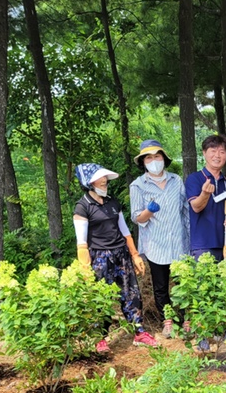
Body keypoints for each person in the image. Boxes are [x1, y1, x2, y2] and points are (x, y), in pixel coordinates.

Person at [73, 163, 156, 351]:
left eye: (105, 179)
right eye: (100, 179)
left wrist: (134, 254)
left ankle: (139, 331)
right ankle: (98, 337)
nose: (104, 181)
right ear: (88, 182)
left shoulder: (112, 202)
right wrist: (85, 268)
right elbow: (81, 242)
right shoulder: (82, 206)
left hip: (121, 254)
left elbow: (125, 231)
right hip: (100, 257)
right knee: (100, 297)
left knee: (131, 293)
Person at [130, 139, 189, 338]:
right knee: (161, 286)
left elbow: (185, 211)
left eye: (157, 156)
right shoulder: (137, 185)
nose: (154, 161)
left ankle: (187, 319)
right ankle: (168, 322)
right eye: (149, 157)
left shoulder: (176, 180)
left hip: (180, 242)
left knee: (184, 283)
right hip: (156, 243)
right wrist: (148, 211)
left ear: (164, 158)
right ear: (143, 162)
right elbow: (137, 217)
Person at [184, 134, 226, 263]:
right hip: (203, 245)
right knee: (204, 283)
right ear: (204, 153)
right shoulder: (195, 179)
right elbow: (196, 207)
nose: (217, 156)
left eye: (222, 152)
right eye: (213, 151)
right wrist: (204, 193)